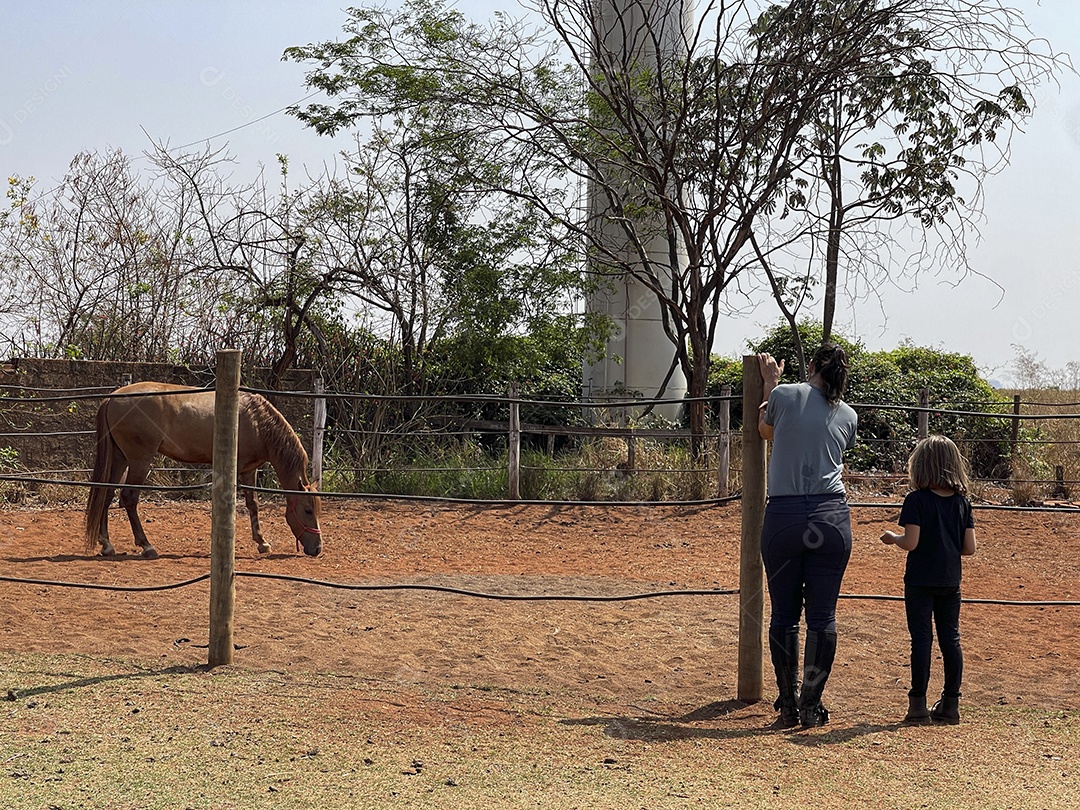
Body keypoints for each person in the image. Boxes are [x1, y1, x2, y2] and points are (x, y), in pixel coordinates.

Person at [757, 343, 858, 728]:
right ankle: (812, 706)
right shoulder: (848, 414)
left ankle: (787, 702)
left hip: (783, 516)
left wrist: (770, 384)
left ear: (811, 365)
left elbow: (766, 431)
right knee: (823, 615)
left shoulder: (783, 394)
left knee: (784, 613)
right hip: (830, 517)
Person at [881, 435, 977, 725]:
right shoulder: (962, 503)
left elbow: (911, 542)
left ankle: (918, 705)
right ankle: (950, 703)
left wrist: (891, 538)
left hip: (920, 581)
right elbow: (969, 547)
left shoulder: (916, 500)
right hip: (950, 581)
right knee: (951, 639)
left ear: (921, 466)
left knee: (921, 640)